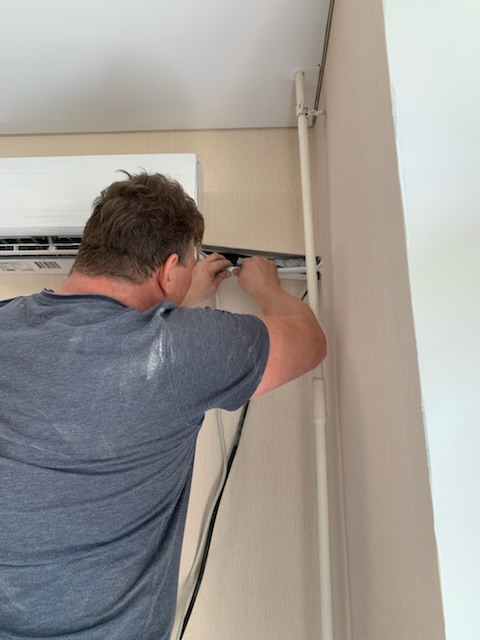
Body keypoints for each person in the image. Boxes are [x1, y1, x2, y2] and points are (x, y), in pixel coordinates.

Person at [0, 171, 326, 640]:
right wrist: (266, 288)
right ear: (169, 268)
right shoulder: (175, 349)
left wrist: (171, 298)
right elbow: (307, 341)